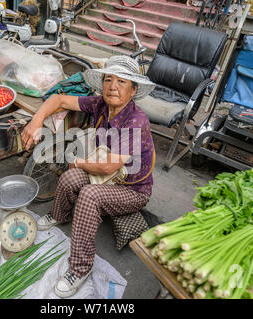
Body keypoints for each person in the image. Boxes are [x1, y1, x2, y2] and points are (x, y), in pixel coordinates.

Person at [21, 55, 156, 298]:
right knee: (69, 179)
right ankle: (59, 214)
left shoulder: (137, 121)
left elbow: (106, 168)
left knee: (89, 194)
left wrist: (77, 162)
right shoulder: (100, 105)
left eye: (122, 82)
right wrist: (36, 120)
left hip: (131, 190)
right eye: (108, 79)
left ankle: (80, 268)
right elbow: (59, 99)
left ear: (133, 90)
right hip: (106, 178)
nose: (113, 86)